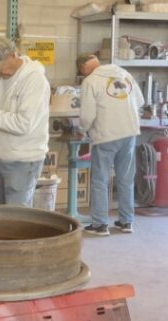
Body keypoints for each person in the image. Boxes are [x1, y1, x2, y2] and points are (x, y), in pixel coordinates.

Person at [0, 36, 50, 207]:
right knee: (2, 214)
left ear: (13, 55)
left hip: (23, 160)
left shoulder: (34, 80)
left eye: (0, 66)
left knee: (17, 217)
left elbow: (23, 123)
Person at [76, 53, 144, 236]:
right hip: (129, 133)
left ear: (84, 68)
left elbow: (87, 115)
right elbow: (140, 101)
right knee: (126, 179)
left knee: (100, 180)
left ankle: (99, 225)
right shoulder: (124, 73)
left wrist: (82, 129)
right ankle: (126, 221)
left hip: (106, 136)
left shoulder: (90, 81)